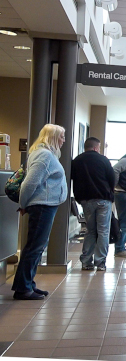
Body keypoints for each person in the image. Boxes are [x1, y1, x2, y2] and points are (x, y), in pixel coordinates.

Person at [12, 124, 68, 300]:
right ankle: (23, 288)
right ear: (52, 137)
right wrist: (23, 204)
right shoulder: (44, 155)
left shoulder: (46, 154)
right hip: (42, 206)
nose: (64, 140)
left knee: (36, 247)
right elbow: (29, 184)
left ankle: (28, 284)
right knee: (34, 248)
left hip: (46, 206)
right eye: (61, 136)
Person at [72, 137, 116, 269]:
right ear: (96, 147)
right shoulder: (103, 160)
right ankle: (100, 262)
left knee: (90, 230)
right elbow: (112, 179)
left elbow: (73, 179)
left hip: (86, 200)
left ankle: (86, 261)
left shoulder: (77, 161)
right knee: (103, 231)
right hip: (103, 199)